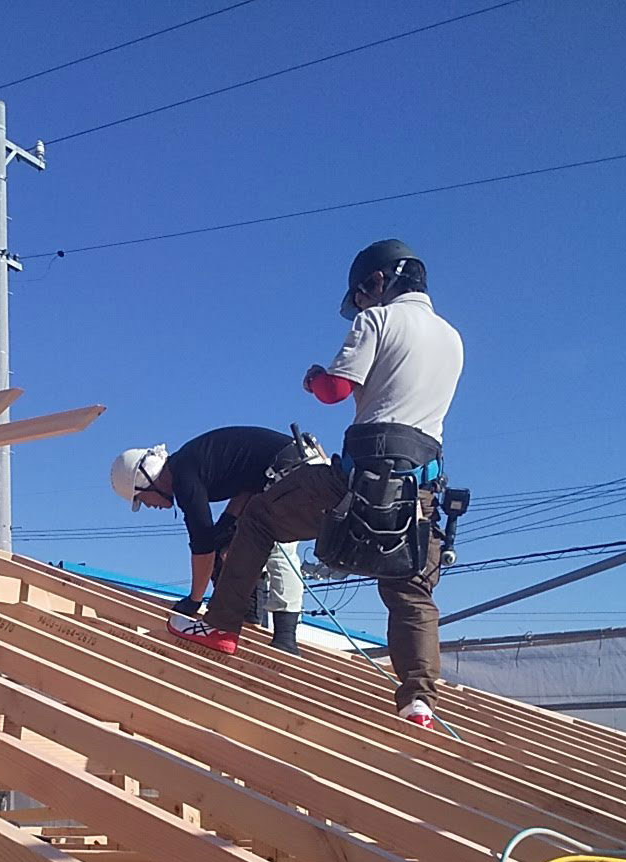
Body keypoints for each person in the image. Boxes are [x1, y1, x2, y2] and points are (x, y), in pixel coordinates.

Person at [165, 240, 463, 727]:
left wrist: (313, 378)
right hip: (418, 490)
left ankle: (221, 628)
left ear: (379, 282)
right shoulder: (453, 338)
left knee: (259, 517)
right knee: (409, 590)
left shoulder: (377, 321)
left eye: (362, 295)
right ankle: (419, 702)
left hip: (354, 478)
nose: (361, 306)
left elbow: (335, 391)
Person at [108, 426, 312, 653]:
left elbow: (202, 547)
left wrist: (194, 600)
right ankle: (249, 615)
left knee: (275, 544)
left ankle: (285, 638)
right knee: (236, 543)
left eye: (141, 498)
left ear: (146, 480)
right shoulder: (192, 464)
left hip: (294, 469)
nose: (148, 505)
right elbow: (248, 481)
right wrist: (227, 523)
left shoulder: (184, 479)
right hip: (285, 467)